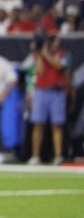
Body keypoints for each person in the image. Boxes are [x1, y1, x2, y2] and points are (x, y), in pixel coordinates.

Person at [29, 32, 69, 164]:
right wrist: (41, 53)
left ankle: (58, 156)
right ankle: (35, 156)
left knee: (57, 125)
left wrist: (45, 53)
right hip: (41, 91)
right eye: (53, 40)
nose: (56, 43)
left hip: (57, 92)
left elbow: (59, 66)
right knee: (38, 124)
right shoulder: (39, 55)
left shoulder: (63, 54)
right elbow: (39, 71)